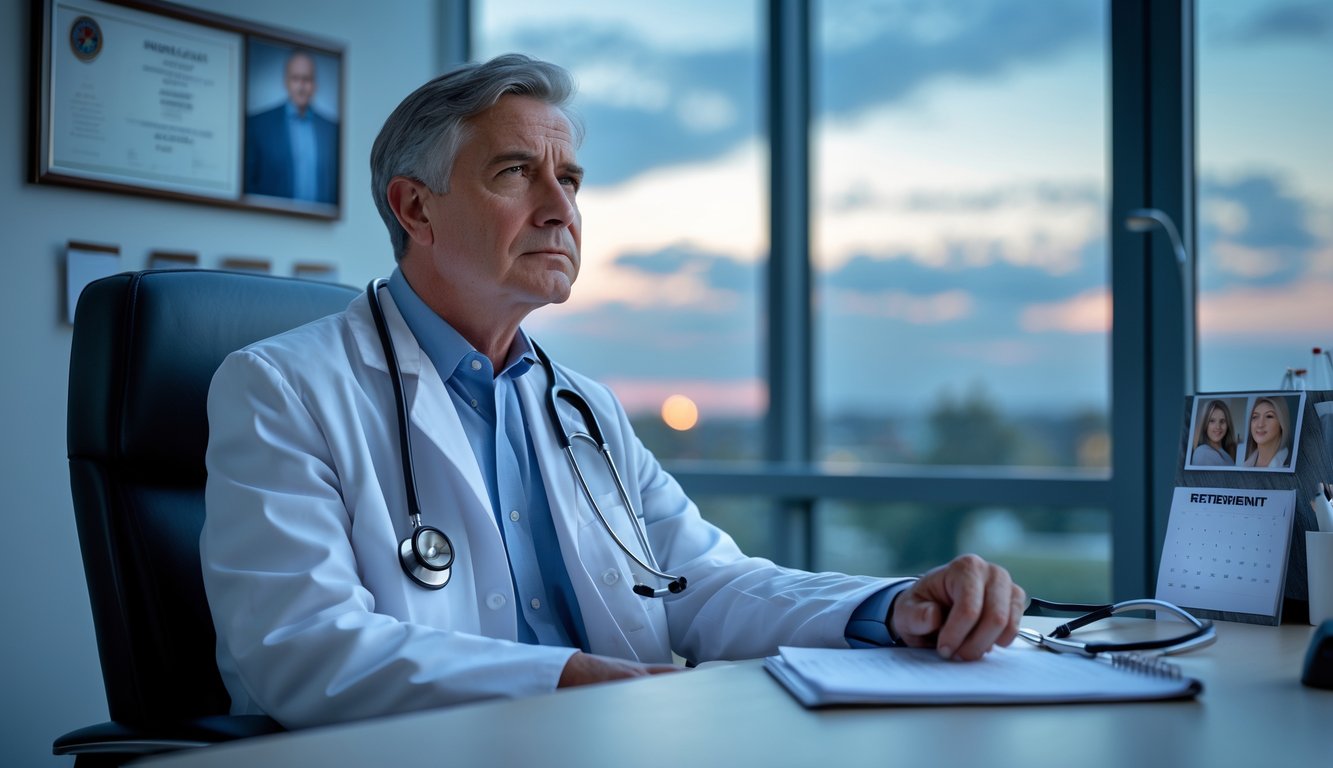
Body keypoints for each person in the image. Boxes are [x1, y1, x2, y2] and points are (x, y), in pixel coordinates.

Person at [201, 54, 1026, 730]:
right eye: (517, 173)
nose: (561, 209)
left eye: (571, 179)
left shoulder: (580, 407)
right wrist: (565, 681)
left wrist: (888, 606)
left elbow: (701, 584)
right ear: (415, 208)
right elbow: (302, 647)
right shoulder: (283, 388)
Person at [244, 49, 339, 204]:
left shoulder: (332, 130)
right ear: (285, 81)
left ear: (314, 84)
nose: (301, 86)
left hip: (320, 225)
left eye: (306, 79)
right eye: (295, 79)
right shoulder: (258, 125)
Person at [1243, 396, 1292, 468]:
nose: (1260, 424)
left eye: (1269, 416)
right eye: (1255, 417)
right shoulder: (1245, 465)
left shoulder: (1290, 464)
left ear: (1282, 423)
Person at [1191, 399, 1237, 467]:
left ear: (1228, 425)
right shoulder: (1202, 453)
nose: (1218, 427)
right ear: (1205, 424)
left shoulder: (1227, 454)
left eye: (1222, 421)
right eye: (1212, 421)